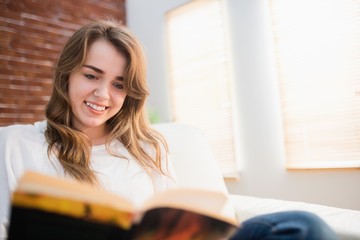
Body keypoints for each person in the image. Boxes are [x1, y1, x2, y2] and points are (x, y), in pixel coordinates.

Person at [0, 19, 337, 240]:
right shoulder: (15, 144)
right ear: (66, 75)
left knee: (304, 227)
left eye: (119, 84)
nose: (103, 95)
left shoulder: (148, 149)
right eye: (91, 76)